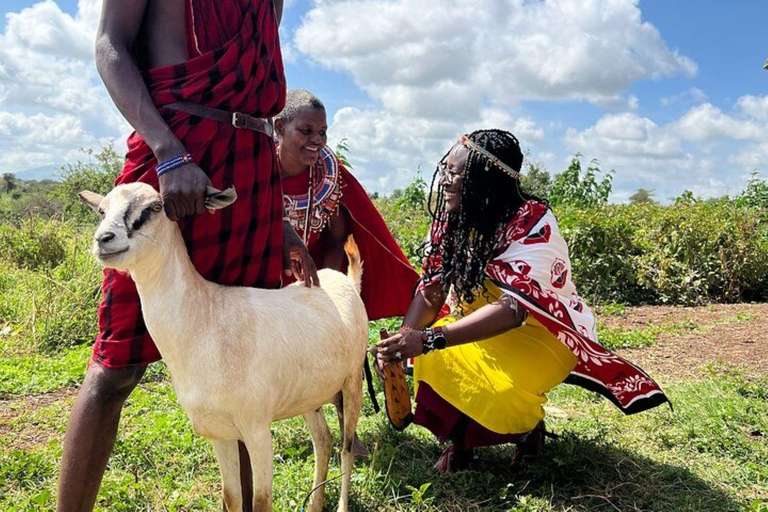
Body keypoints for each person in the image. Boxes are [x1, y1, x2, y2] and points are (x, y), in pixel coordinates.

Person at [57, 1, 317, 510]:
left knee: (247, 360)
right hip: (173, 158)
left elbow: (252, 105)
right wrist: (168, 152)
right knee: (115, 367)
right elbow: (110, 46)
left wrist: (278, 217)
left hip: (250, 174)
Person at [373, 129, 668, 472]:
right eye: (445, 170)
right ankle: (460, 445)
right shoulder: (452, 221)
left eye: (457, 175)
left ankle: (526, 430)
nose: (445, 182)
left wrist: (428, 338)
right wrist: (405, 338)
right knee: (433, 362)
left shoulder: (534, 223)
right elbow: (433, 288)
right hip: (472, 325)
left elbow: (514, 310)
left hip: (540, 334)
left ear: (488, 182)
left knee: (502, 395)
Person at [275, 89, 420, 320]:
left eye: (323, 132)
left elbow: (337, 239)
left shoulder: (329, 176)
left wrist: (323, 291)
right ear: (280, 127)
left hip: (311, 282)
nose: (317, 140)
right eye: (307, 131)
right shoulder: (256, 168)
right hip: (261, 286)